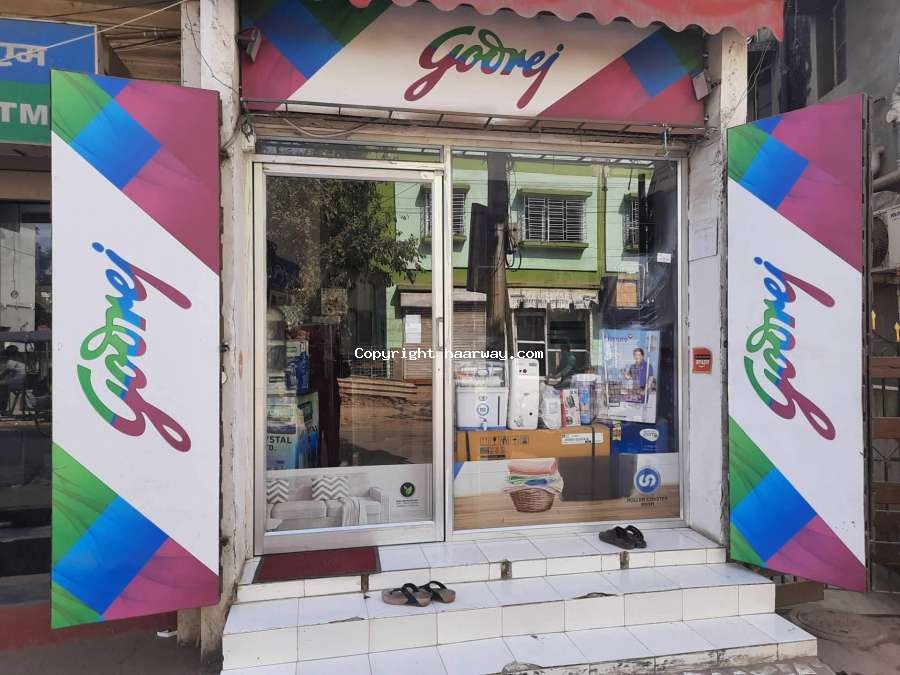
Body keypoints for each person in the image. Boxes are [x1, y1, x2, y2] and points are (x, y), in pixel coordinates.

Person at [0, 345, 27, 414]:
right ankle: (4, 408)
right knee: (4, 385)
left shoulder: (12, 360)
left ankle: (2, 408)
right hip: (22, 380)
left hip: (17, 382)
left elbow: (6, 372)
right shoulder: (20, 358)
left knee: (3, 386)